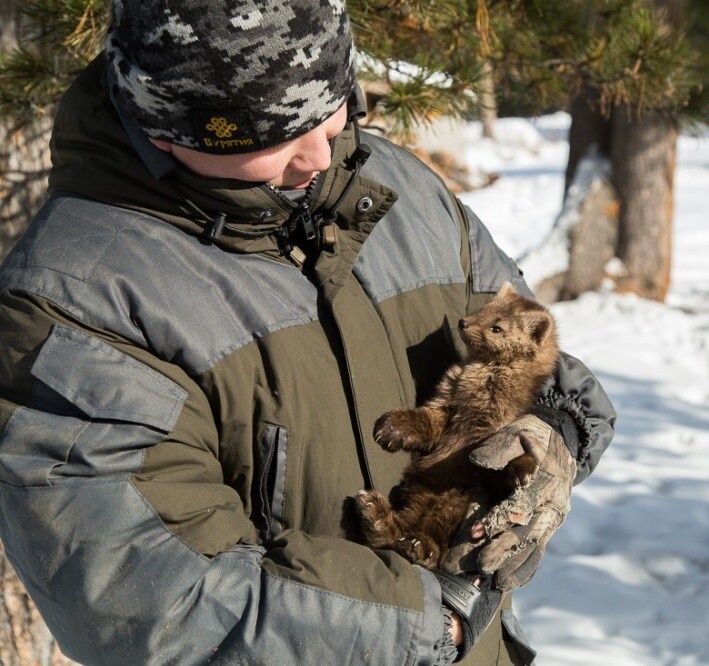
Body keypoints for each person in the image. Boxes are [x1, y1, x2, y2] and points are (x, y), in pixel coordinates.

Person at [0, 2, 615, 664]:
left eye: (335, 103)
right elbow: (152, 605)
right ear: (165, 127)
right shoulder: (76, 303)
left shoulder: (395, 187)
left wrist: (556, 436)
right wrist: (440, 627)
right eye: (274, 134)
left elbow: (529, 350)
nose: (322, 153)